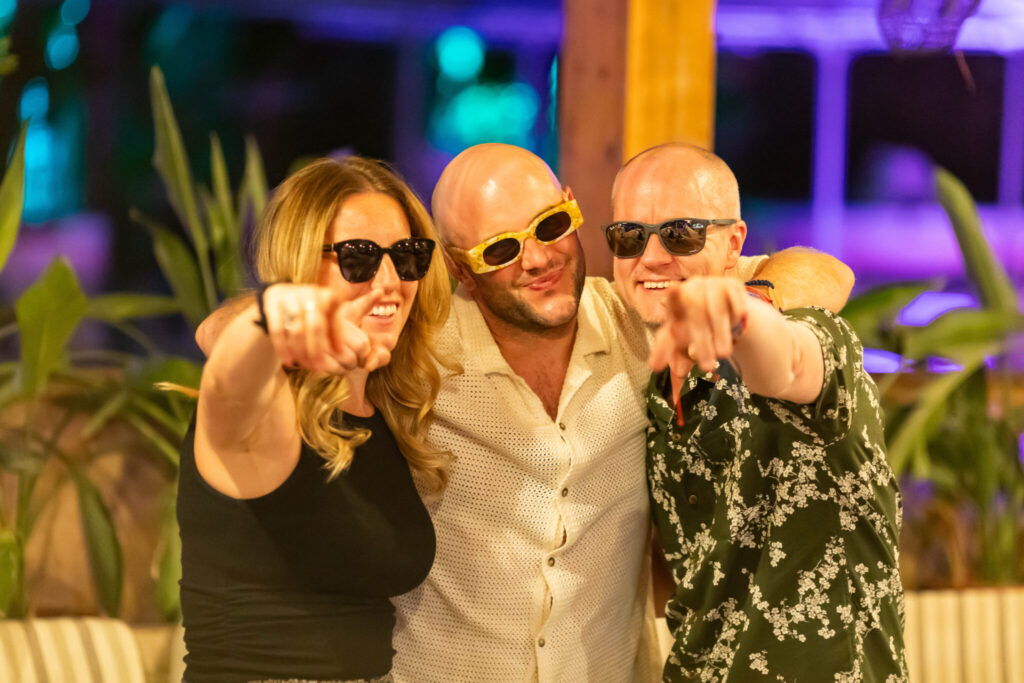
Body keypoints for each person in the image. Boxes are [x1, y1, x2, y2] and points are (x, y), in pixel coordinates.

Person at [195, 143, 854, 683]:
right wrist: (278, 319)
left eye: (549, 227)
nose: (538, 257)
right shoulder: (415, 351)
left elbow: (826, 275)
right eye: (501, 250)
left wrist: (755, 302)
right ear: (460, 269)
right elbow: (226, 340)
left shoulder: (640, 317)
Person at [606, 142, 906, 681]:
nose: (650, 257)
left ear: (733, 243)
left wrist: (739, 310)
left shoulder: (814, 334)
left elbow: (788, 364)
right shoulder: (655, 375)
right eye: (629, 236)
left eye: (680, 233)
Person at [179, 156, 451, 683]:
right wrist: (273, 318)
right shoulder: (263, 406)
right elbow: (234, 367)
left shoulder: (382, 412)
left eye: (408, 255)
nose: (391, 280)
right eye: (358, 258)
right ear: (302, 266)